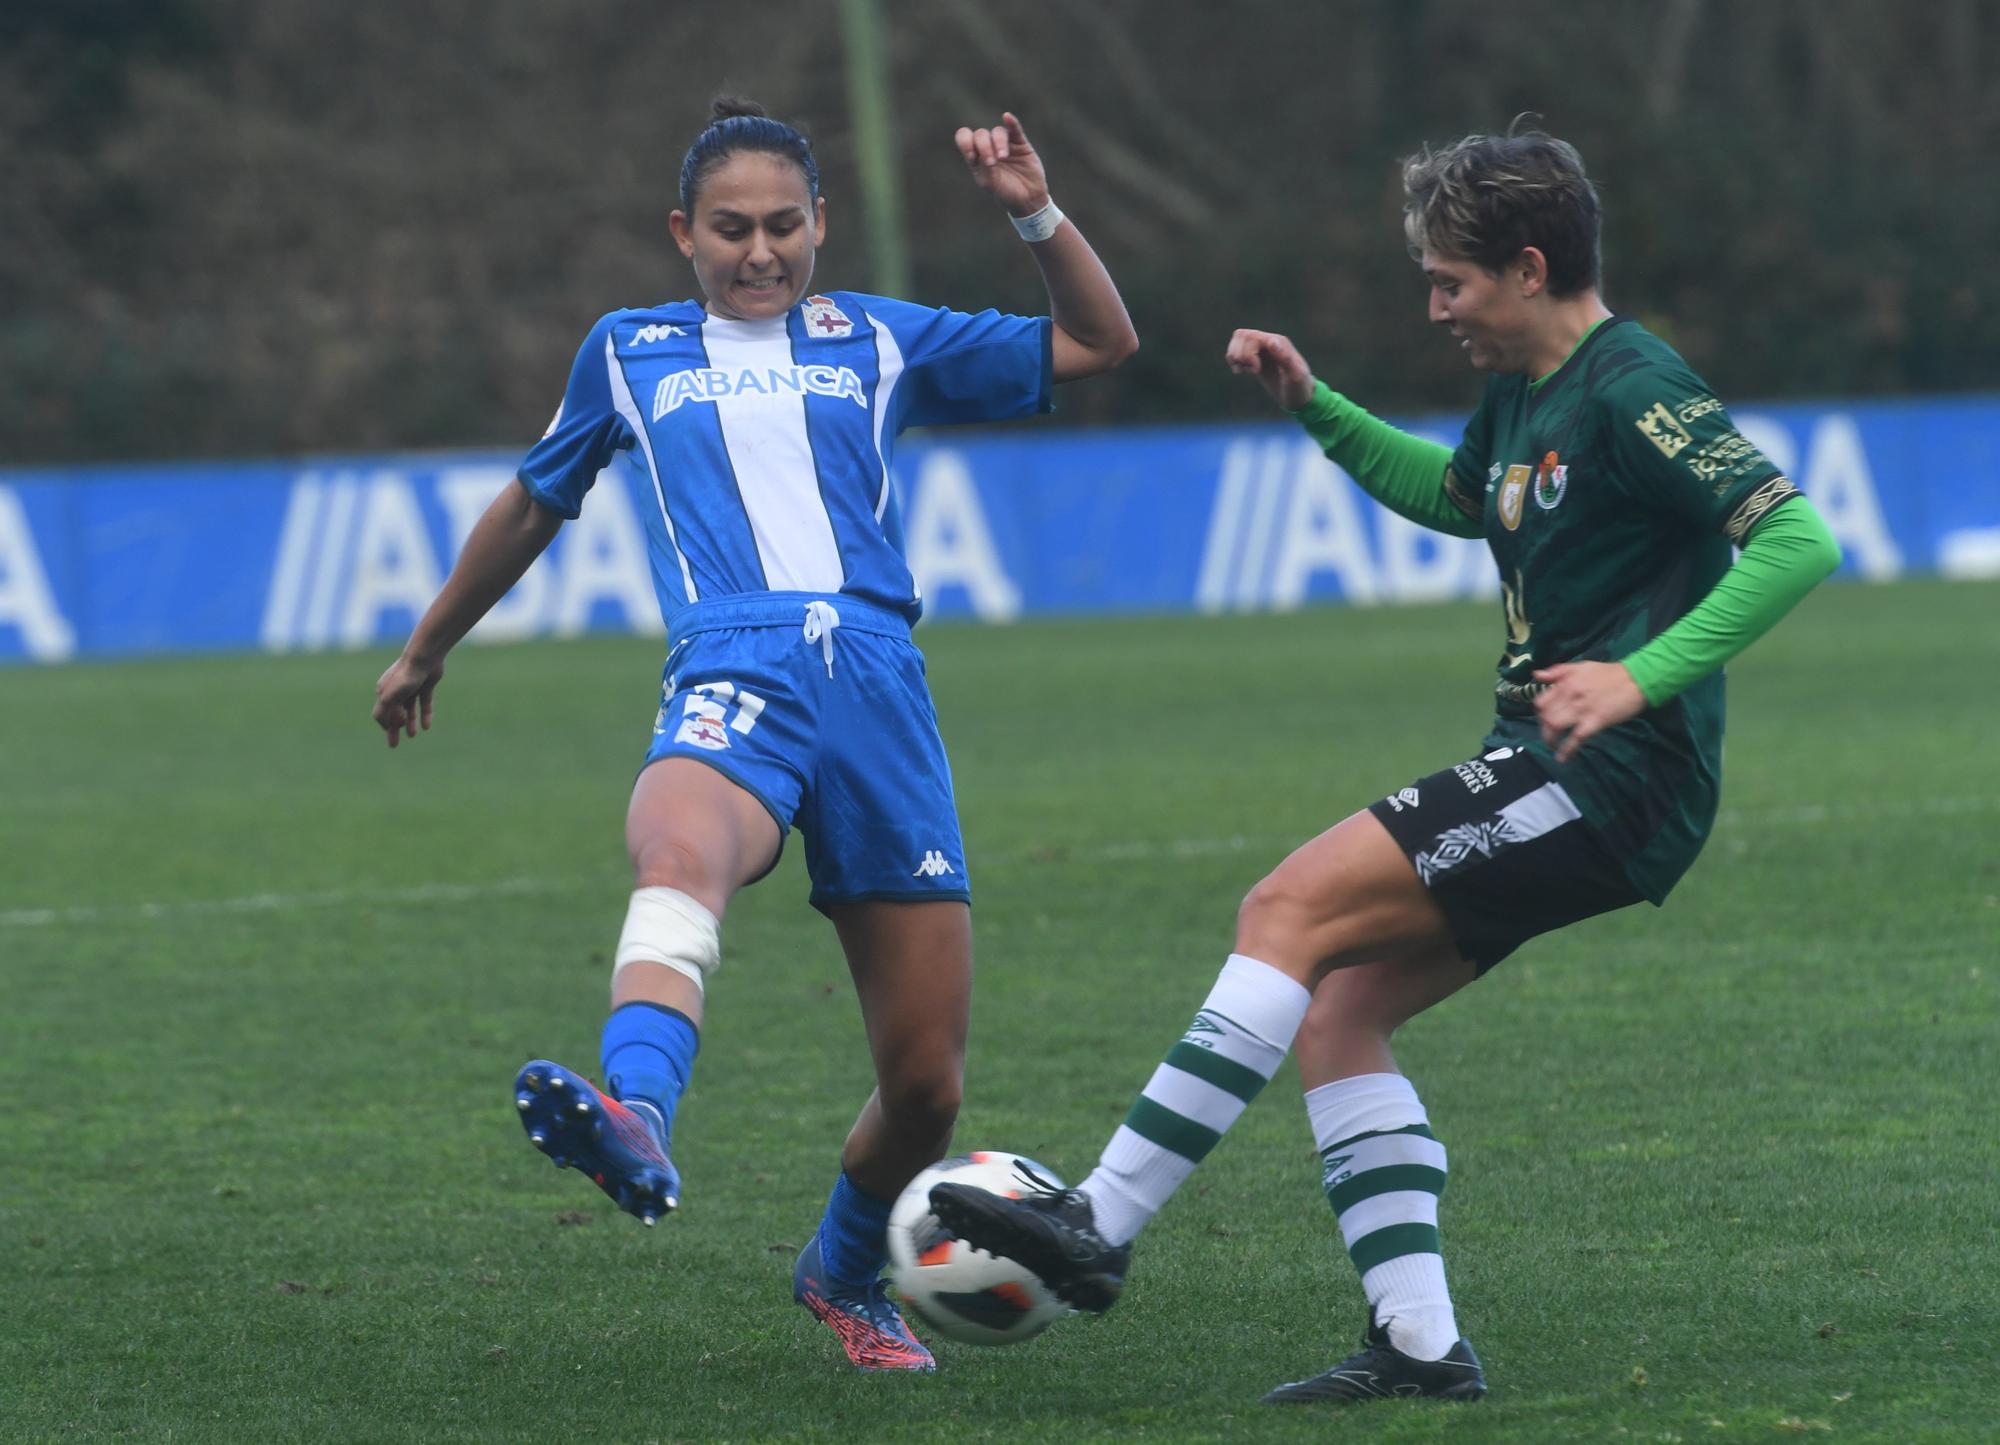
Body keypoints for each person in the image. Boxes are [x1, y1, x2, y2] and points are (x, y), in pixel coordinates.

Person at [929, 126, 1841, 1404]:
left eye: (1449, 282)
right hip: (1554, 764)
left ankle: (1100, 1220)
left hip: (1611, 776)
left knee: (1283, 907)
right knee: (1339, 1009)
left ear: (1527, 269)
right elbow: (1465, 497)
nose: (1434, 307)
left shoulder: (1633, 385)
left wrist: (1641, 675)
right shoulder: (1526, 387)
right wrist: (1318, 408)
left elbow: (1796, 539)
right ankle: (1419, 1344)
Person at [372, 97, 1135, 1373]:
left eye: (784, 224)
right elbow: (530, 501)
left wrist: (1033, 215)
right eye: (730, 228)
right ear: (683, 232)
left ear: (820, 224)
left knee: (927, 1084)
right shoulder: (628, 349)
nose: (760, 251)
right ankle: (636, 1112)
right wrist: (427, 643)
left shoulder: (880, 336)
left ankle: (841, 1275)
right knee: (678, 851)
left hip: (881, 692)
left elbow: (1101, 342)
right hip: (735, 661)